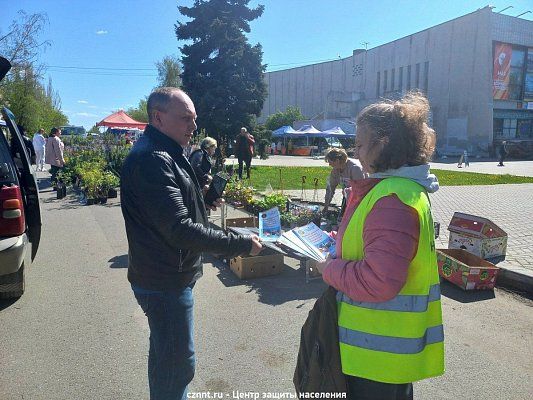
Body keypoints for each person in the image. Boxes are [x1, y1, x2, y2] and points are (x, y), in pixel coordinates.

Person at [120, 87, 262, 400]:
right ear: (158, 118)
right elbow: (179, 230)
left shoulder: (166, 150)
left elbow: (174, 210)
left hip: (164, 274)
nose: (193, 126)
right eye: (185, 118)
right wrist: (240, 243)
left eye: (194, 119)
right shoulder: (154, 159)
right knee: (177, 366)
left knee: (166, 356)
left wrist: (201, 199)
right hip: (164, 281)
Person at [314, 92, 444, 399]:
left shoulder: (392, 199)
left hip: (375, 358)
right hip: (383, 353)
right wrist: (338, 243)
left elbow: (378, 281)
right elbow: (377, 246)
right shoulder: (393, 191)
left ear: (382, 143)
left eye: (359, 144)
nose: (355, 152)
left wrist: (329, 268)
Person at [322, 148, 365, 214]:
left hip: (361, 198)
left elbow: (361, 191)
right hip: (348, 196)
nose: (329, 165)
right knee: (343, 216)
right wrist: (325, 207)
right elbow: (330, 189)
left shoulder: (355, 169)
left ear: (337, 160)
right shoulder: (335, 170)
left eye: (330, 162)